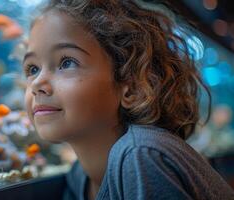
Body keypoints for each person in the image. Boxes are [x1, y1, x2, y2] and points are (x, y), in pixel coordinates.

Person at [23, 0, 234, 199]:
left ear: (131, 88)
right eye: (32, 68)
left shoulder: (142, 155)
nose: (37, 84)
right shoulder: (79, 176)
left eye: (67, 62)